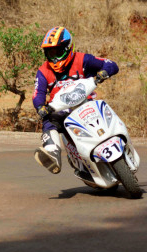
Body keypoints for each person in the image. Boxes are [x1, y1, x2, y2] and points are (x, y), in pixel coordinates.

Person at [32, 26, 119, 174]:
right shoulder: (43, 71)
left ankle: (117, 135)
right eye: (50, 52)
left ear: (67, 48)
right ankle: (52, 153)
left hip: (87, 103)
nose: (54, 56)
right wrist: (40, 106)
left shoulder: (83, 59)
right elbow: (37, 93)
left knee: (106, 109)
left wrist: (104, 72)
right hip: (61, 110)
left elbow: (111, 64)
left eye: (57, 51)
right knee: (47, 120)